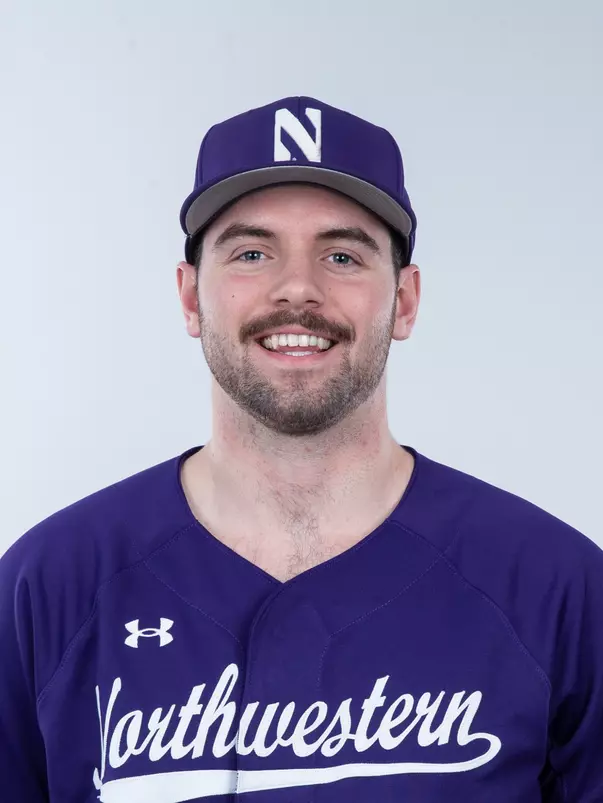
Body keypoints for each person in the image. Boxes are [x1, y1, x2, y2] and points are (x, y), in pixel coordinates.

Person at [0, 95, 601, 803]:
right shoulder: (47, 587)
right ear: (190, 297)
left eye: (341, 254)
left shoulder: (556, 589)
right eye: (252, 252)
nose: (297, 289)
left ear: (404, 300)